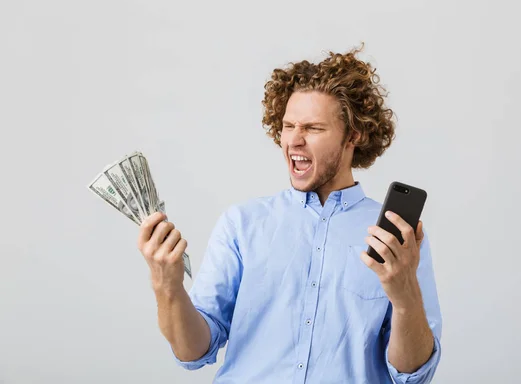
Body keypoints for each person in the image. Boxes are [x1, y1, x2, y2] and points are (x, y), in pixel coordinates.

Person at [137, 44, 442, 383]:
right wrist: (168, 288)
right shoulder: (242, 224)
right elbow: (192, 350)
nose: (293, 140)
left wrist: (404, 300)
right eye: (287, 126)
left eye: (313, 128)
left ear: (353, 135)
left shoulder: (395, 238)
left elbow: (413, 374)